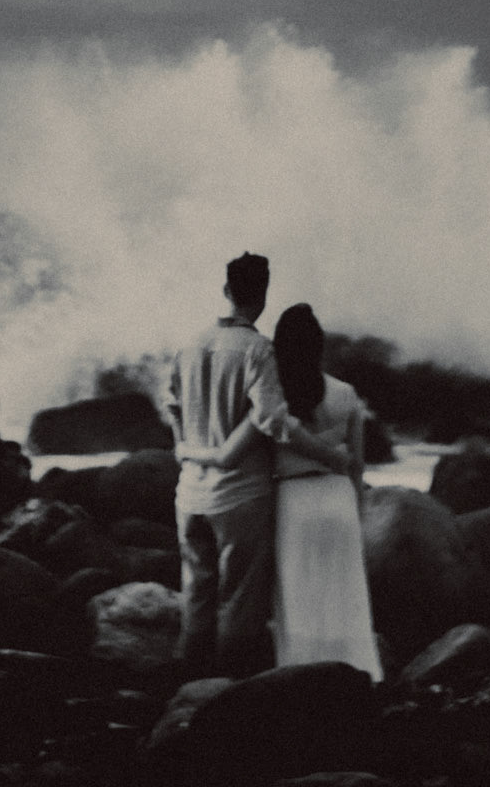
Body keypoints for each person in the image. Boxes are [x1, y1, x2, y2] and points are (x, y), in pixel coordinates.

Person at [166, 253, 349, 678]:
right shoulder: (257, 350)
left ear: (226, 290)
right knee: (239, 599)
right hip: (238, 497)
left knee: (197, 590)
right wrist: (333, 457)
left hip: (189, 493)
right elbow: (275, 423)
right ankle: (229, 690)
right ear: (263, 296)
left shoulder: (189, 344)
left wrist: (188, 451)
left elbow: (171, 407)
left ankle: (189, 687)